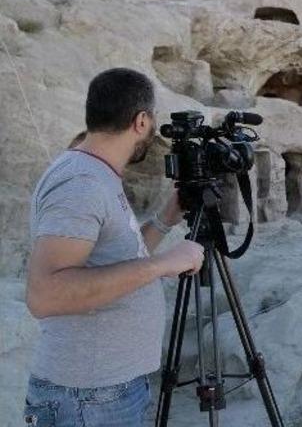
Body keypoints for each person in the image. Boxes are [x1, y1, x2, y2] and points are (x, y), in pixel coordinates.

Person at [23, 68, 204, 427]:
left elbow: (118, 260)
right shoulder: (82, 182)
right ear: (141, 121)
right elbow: (45, 295)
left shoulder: (95, 174)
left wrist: (166, 219)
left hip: (102, 392)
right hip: (88, 398)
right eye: (151, 122)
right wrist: (165, 264)